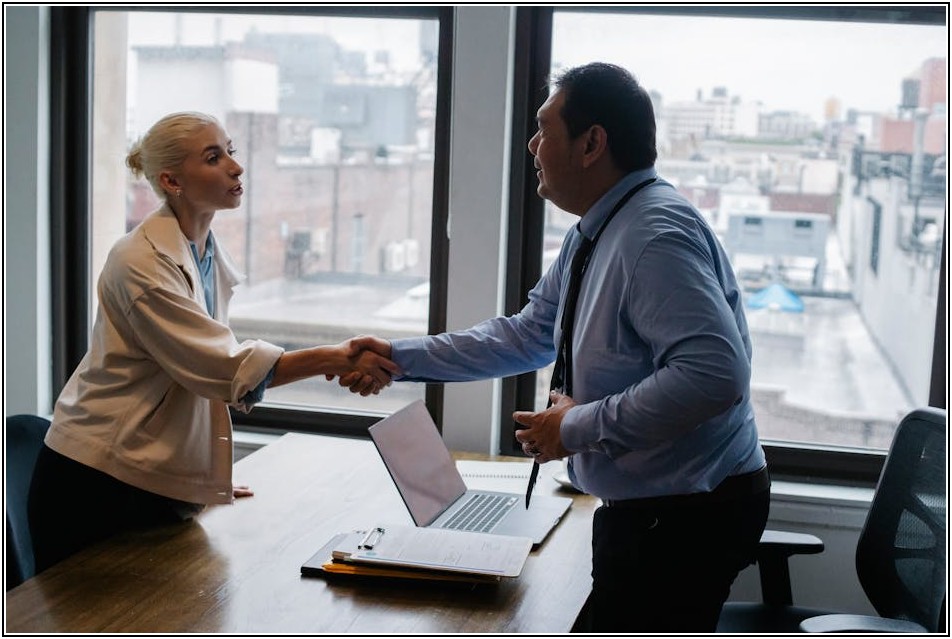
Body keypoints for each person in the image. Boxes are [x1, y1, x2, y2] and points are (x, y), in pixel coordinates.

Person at [346, 63, 769, 632]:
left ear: (592, 143)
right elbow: (528, 334)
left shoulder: (654, 235)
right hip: (654, 510)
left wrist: (572, 428)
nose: (532, 144)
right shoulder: (599, 228)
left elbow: (715, 375)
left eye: (545, 128)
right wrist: (399, 357)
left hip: (686, 513)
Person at [28, 111, 400, 575]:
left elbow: (197, 374)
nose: (235, 167)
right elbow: (221, 368)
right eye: (213, 157)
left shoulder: (201, 250)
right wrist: (335, 357)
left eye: (231, 151)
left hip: (147, 474)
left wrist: (203, 478)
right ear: (171, 179)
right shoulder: (141, 262)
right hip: (98, 481)